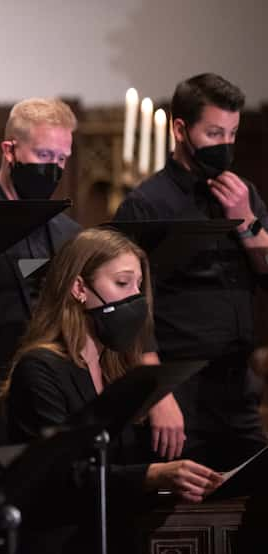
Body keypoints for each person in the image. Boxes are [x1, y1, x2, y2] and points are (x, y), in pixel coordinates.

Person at [3, 227, 223, 554]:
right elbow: (60, 477)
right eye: (122, 283)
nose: (135, 297)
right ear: (79, 287)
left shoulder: (119, 366)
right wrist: (153, 475)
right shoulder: (39, 367)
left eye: (137, 285)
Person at [114, 73, 268, 471]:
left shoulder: (243, 194)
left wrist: (248, 222)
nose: (226, 145)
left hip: (237, 387)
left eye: (233, 134)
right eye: (215, 133)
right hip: (177, 387)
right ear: (180, 129)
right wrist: (157, 394)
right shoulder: (145, 204)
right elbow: (126, 307)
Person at [0, 98, 81, 444]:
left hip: (47, 402)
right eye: (43, 156)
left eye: (61, 159)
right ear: (10, 151)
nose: (53, 168)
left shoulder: (69, 233)